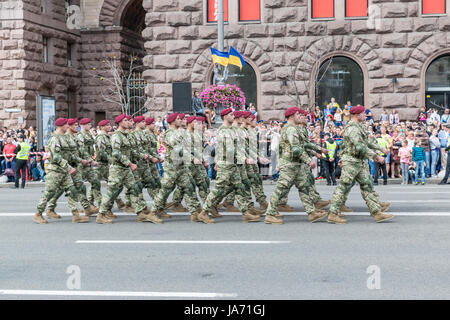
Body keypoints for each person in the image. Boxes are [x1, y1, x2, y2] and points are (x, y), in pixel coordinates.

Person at [327, 105, 393, 224]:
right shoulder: (353, 129)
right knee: (343, 187)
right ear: (357, 115)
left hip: (358, 161)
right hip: (352, 162)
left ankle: (377, 212)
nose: (366, 115)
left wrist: (380, 149)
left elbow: (366, 142)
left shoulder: (358, 127)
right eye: (363, 113)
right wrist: (375, 156)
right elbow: (360, 146)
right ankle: (333, 213)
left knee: (367, 185)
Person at [264, 107, 327, 225]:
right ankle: (270, 214)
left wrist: (316, 151)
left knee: (304, 188)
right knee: (280, 189)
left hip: (295, 164)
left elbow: (303, 145)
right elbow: (296, 148)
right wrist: (308, 160)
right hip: (289, 164)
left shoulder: (293, 128)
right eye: (298, 114)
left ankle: (312, 212)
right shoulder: (290, 129)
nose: (301, 116)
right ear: (292, 116)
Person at [97, 114, 159, 224]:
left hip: (126, 169)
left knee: (134, 188)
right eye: (125, 120)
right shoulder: (116, 136)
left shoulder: (125, 135)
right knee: (112, 192)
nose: (128, 122)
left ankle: (140, 213)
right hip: (117, 169)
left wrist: (143, 156)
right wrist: (130, 163)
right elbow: (116, 153)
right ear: (120, 123)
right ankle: (101, 214)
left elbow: (131, 151)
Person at [34, 118, 88, 224]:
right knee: (49, 193)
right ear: (60, 126)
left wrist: (79, 161)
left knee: (71, 191)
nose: (68, 126)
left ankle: (76, 215)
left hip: (64, 170)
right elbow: (57, 157)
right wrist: (69, 167)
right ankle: (38, 214)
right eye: (66, 125)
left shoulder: (64, 137)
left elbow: (69, 154)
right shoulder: (55, 139)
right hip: (55, 170)